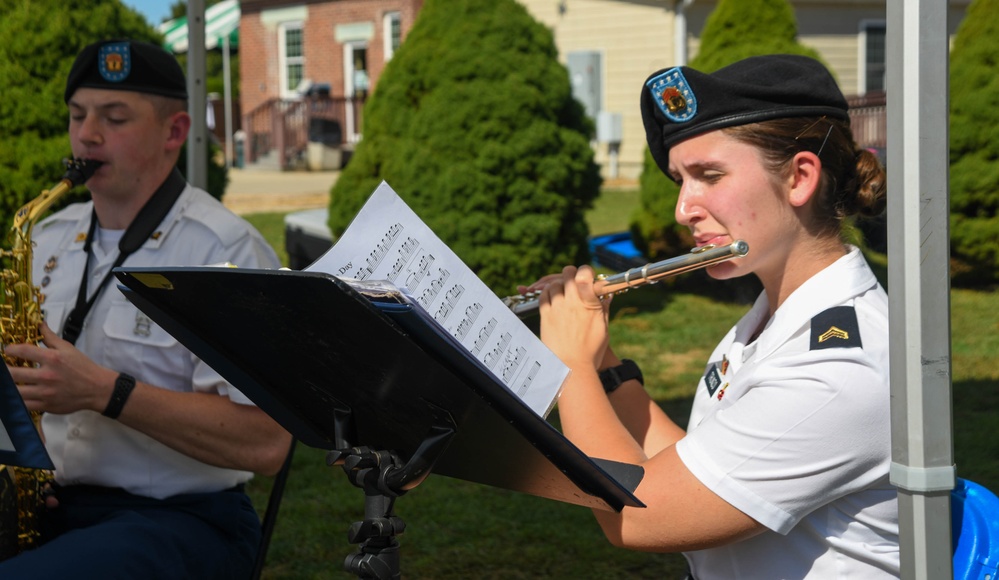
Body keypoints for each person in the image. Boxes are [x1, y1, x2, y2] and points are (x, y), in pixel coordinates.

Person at [528, 54, 896, 578]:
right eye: (682, 179)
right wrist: (604, 363)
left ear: (799, 177)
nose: (684, 209)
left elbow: (637, 516)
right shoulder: (775, 317)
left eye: (709, 175)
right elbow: (702, 466)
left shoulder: (839, 367)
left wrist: (570, 366)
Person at [0, 39, 291, 579]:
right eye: (77, 115)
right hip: (51, 507)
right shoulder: (48, 235)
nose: (87, 134)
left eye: (114, 118)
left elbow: (268, 441)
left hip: (182, 522)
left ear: (174, 132)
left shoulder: (224, 251)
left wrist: (105, 392)